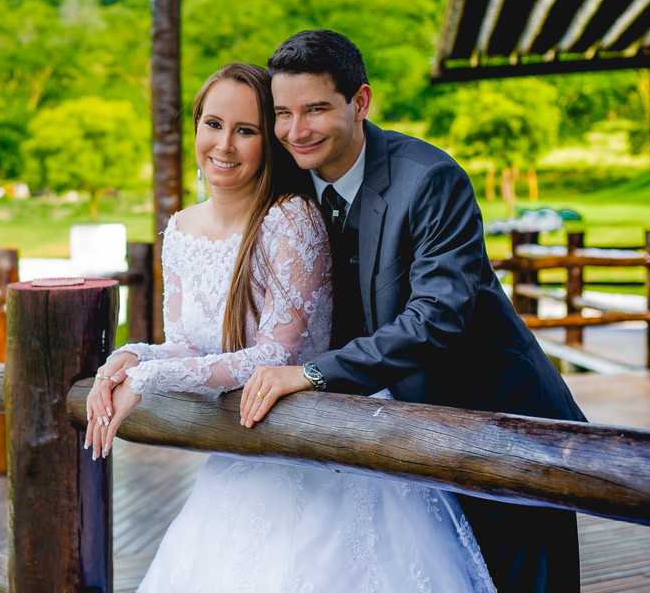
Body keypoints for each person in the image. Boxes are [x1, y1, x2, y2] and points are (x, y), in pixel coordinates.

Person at [86, 62, 495, 593]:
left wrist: (149, 380)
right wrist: (135, 358)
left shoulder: (290, 219)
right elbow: (185, 344)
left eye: (246, 130)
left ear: (268, 142)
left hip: (314, 447)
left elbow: (276, 356)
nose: (224, 145)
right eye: (213, 124)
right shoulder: (181, 227)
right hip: (242, 454)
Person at [241, 29, 588, 593]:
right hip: (398, 443)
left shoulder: (429, 179)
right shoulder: (289, 185)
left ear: (360, 102)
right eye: (283, 113)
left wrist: (311, 373)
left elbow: (437, 319)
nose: (296, 130)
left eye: (316, 109)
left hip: (499, 423)